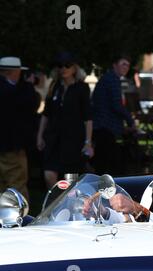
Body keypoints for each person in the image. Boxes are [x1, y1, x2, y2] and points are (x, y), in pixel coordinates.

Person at [36, 52, 93, 189]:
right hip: (54, 138)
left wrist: (88, 142)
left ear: (74, 68)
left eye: (67, 65)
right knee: (49, 174)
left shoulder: (82, 88)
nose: (63, 69)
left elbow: (88, 118)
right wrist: (39, 136)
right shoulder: (54, 87)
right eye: (60, 66)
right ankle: (55, 204)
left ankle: (69, 205)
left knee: (71, 179)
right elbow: (46, 114)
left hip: (73, 140)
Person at [0, 57, 38, 200]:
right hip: (11, 146)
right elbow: (28, 105)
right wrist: (29, 86)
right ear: (14, 72)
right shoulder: (14, 91)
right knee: (16, 185)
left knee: (3, 185)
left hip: (7, 144)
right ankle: (19, 217)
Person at [91, 54, 136, 175]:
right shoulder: (112, 79)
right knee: (109, 164)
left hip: (102, 125)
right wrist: (130, 120)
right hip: (105, 126)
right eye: (123, 64)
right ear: (115, 65)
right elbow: (116, 105)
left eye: (128, 65)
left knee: (104, 162)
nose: (126, 67)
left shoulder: (108, 78)